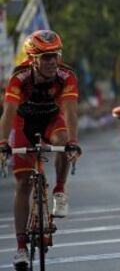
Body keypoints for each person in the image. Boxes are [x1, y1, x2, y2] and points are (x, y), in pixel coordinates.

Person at [0, 30, 82, 269]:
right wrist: (3, 144)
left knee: (64, 139)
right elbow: (8, 114)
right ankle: (20, 249)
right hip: (23, 123)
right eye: (45, 57)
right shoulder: (20, 77)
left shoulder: (67, 76)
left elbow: (70, 111)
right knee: (24, 182)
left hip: (52, 120)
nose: (52, 62)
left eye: (55, 55)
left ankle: (59, 189)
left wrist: (74, 142)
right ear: (33, 59)